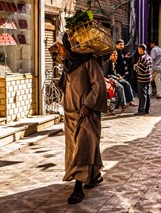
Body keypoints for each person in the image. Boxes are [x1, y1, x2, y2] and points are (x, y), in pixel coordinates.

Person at [55, 31, 107, 204]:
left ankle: (78, 189)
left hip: (86, 113)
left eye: (61, 48)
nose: (59, 51)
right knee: (76, 149)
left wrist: (87, 104)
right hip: (70, 114)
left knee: (82, 149)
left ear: (69, 47)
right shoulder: (69, 64)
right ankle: (94, 176)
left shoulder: (88, 62)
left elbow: (99, 85)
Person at [133, 44, 153, 115]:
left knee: (142, 95)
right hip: (148, 78)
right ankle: (146, 109)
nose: (138, 50)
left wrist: (135, 67)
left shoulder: (143, 58)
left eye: (138, 49)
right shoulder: (149, 57)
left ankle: (141, 110)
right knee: (147, 94)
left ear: (141, 49)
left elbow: (140, 69)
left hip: (142, 79)